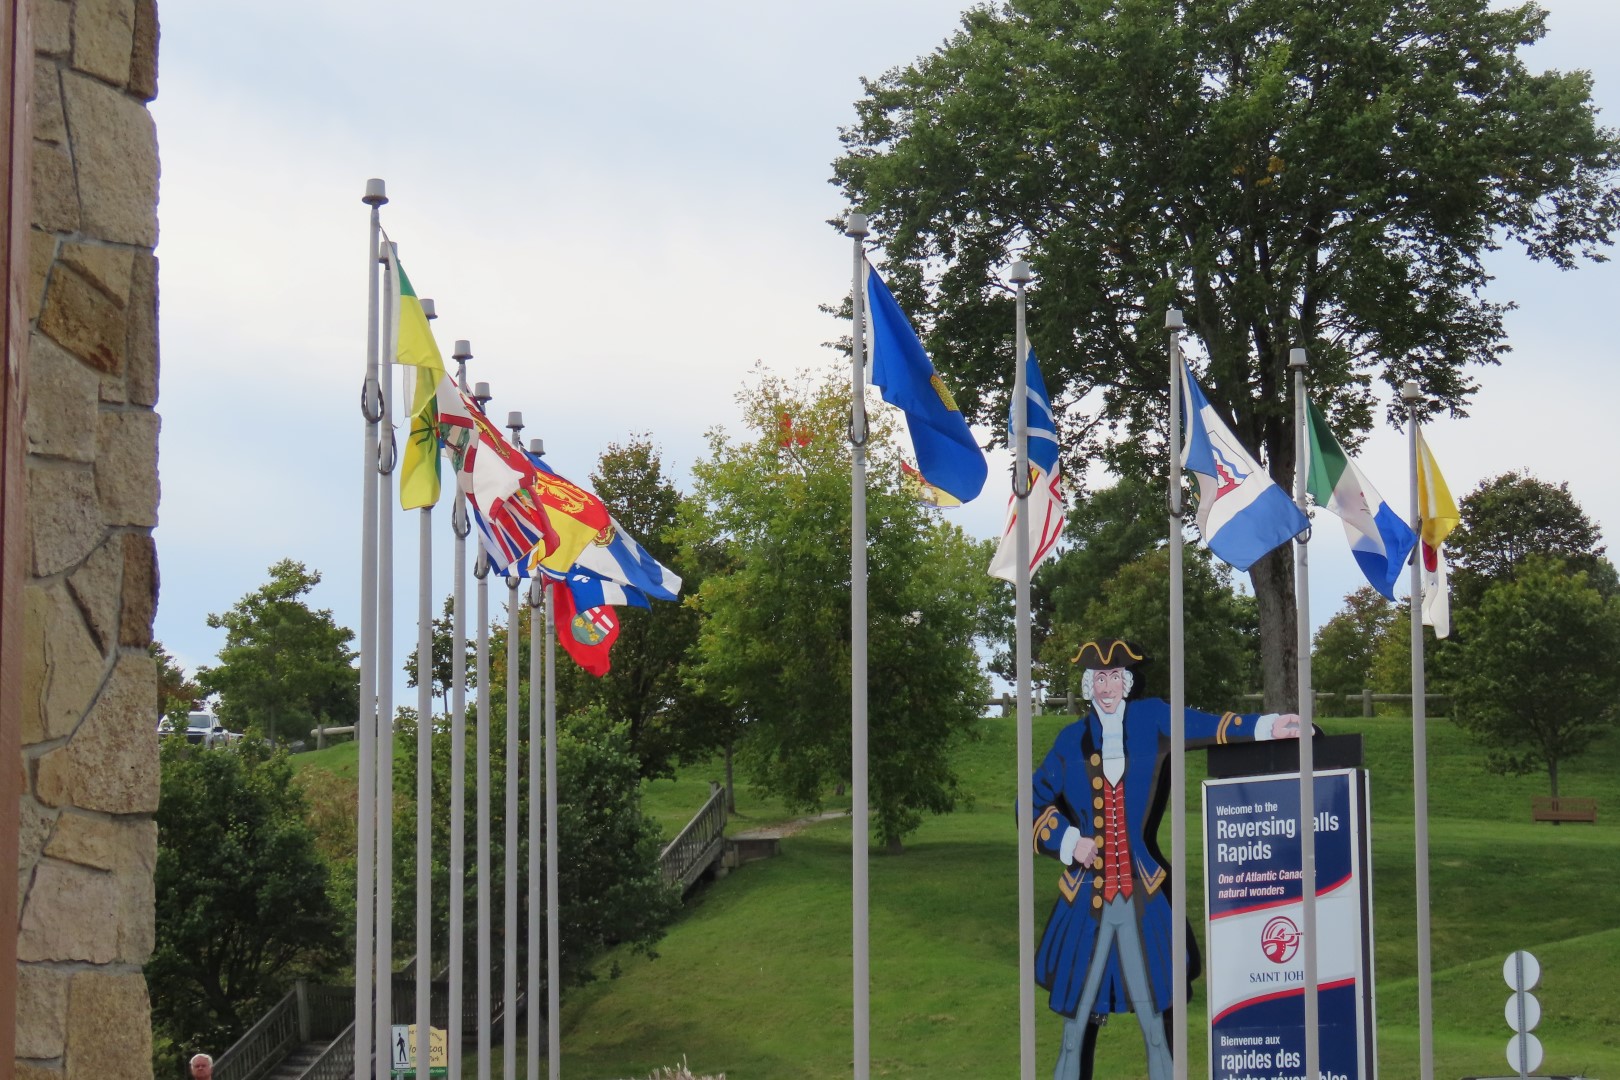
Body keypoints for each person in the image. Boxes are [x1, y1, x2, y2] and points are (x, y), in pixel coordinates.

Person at [1032, 639, 1301, 1080]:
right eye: (1098, 678)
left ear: (1127, 681)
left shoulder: (1151, 719)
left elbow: (1207, 726)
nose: (1106, 687)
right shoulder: (1068, 742)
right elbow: (1032, 802)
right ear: (1087, 684)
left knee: (1157, 1019)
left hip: (1142, 894)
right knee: (1076, 1024)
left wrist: (1268, 726)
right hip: (1085, 900)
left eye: (1113, 676)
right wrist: (1068, 840)